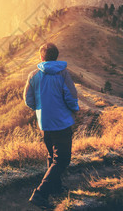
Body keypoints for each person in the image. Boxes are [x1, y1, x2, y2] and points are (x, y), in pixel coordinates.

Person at [23, 42, 79, 208]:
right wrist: (74, 110)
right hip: (62, 123)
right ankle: (40, 193)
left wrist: (40, 109)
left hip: (45, 124)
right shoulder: (63, 74)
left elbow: (28, 100)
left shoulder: (33, 75)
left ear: (41, 57)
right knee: (62, 160)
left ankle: (55, 187)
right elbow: (71, 96)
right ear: (56, 57)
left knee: (52, 156)